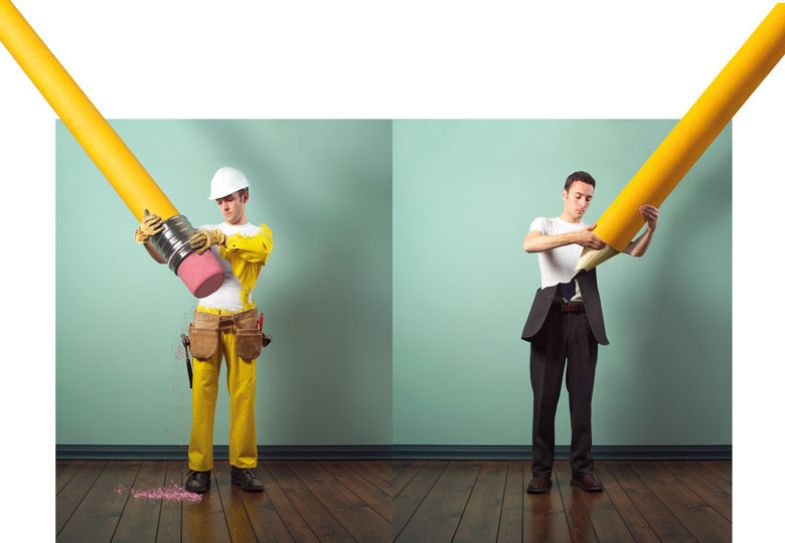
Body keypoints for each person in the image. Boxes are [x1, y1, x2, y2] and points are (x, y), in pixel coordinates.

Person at [135, 166, 274, 493]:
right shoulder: (203, 231)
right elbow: (169, 258)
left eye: (230, 199)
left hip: (243, 323)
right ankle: (200, 470)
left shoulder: (259, 233)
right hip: (207, 322)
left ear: (245, 196)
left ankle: (244, 469)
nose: (225, 206)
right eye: (220, 201)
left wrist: (221, 238)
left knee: (243, 399)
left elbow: (260, 251)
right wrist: (146, 240)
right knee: (203, 399)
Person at [521, 171, 658, 494]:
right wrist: (574, 237)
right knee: (544, 401)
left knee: (581, 401)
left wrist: (651, 228)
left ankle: (582, 471)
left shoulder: (598, 230)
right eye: (578, 196)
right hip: (549, 321)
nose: (583, 203)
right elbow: (530, 245)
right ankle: (541, 472)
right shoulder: (546, 223)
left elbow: (636, 251)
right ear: (565, 194)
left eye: (589, 198)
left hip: (584, 322)